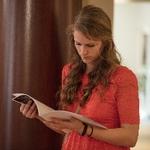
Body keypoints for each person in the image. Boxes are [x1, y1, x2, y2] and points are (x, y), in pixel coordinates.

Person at [20, 5, 139, 150]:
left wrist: (84, 129)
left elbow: (130, 138)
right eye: (78, 44)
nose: (83, 52)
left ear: (105, 43)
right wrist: (38, 114)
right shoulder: (69, 71)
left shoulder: (123, 77)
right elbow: (67, 128)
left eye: (90, 45)